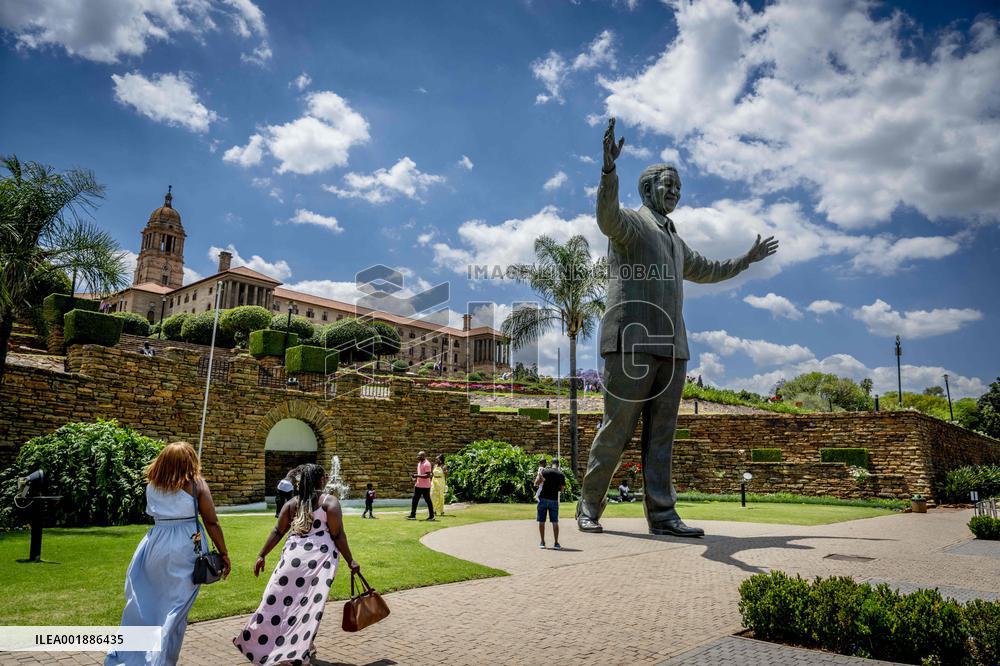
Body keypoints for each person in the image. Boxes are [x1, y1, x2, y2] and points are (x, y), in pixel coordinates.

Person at [577, 118, 779, 538]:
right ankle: (589, 506)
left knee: (662, 436)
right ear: (648, 190)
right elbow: (606, 217)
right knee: (617, 427)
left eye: (679, 188)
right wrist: (608, 172)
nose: (675, 192)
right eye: (668, 185)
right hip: (630, 340)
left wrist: (746, 259)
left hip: (672, 346)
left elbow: (710, 269)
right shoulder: (631, 225)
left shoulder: (676, 241)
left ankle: (664, 515)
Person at [106, 442, 231, 666]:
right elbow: (211, 521)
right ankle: (159, 660)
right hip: (185, 545)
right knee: (176, 608)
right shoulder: (196, 485)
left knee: (146, 603)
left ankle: (132, 656)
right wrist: (224, 553)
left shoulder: (152, 485)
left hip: (155, 543)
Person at [235, 464, 360, 665]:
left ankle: (264, 645)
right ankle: (300, 650)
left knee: (276, 603)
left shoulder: (292, 503)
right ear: (321, 480)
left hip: (291, 560)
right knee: (310, 606)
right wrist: (350, 560)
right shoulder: (330, 502)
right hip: (319, 562)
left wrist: (262, 555)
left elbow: (278, 531)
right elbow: (337, 534)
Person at [535, 459, 566, 550]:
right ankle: (556, 543)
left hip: (543, 499)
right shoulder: (561, 474)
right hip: (553, 500)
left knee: (541, 521)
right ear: (558, 465)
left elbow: (537, 483)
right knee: (555, 522)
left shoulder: (544, 471)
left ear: (551, 464)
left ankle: (542, 542)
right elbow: (562, 489)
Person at [407, 451, 435, 521]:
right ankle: (413, 515)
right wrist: (415, 476)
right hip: (418, 485)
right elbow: (421, 473)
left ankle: (431, 516)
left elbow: (427, 475)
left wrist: (417, 475)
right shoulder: (419, 463)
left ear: (423, 456)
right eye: (418, 456)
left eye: (419, 456)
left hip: (425, 486)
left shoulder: (427, 464)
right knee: (415, 500)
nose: (418, 457)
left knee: (428, 500)